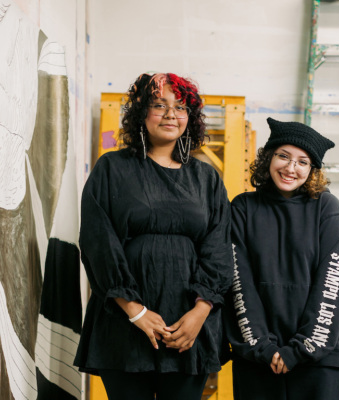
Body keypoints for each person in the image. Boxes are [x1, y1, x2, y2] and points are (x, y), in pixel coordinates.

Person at [74, 72, 233, 400]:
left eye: (181, 107)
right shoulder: (112, 169)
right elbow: (97, 241)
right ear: (140, 113)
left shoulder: (206, 179)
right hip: (124, 323)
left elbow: (218, 248)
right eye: (159, 105)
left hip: (189, 327)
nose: (171, 114)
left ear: (191, 117)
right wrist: (135, 311)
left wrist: (199, 314)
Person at [224, 117, 339, 400]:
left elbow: (333, 284)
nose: (290, 168)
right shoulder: (243, 208)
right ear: (269, 157)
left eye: (302, 161)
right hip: (257, 360)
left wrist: (301, 349)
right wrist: (263, 347)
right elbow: (237, 282)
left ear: (312, 169)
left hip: (319, 360)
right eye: (283, 156)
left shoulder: (327, 208)